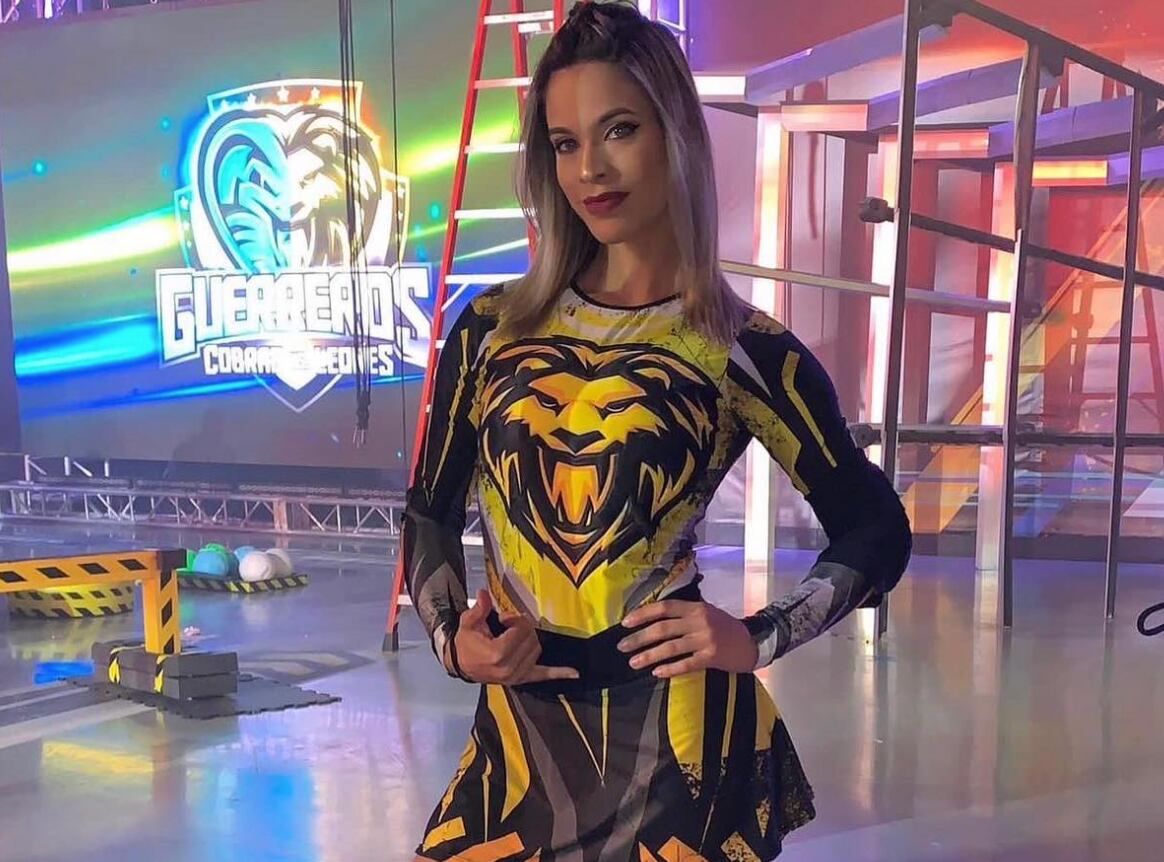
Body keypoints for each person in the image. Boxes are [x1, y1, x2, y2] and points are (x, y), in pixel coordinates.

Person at [403, 3, 912, 860]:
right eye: (564, 143)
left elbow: (875, 527)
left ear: (674, 137)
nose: (590, 169)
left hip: (678, 745)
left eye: (619, 130)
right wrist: (454, 643)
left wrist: (758, 635)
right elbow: (429, 509)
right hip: (518, 741)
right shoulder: (491, 329)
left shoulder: (739, 347)